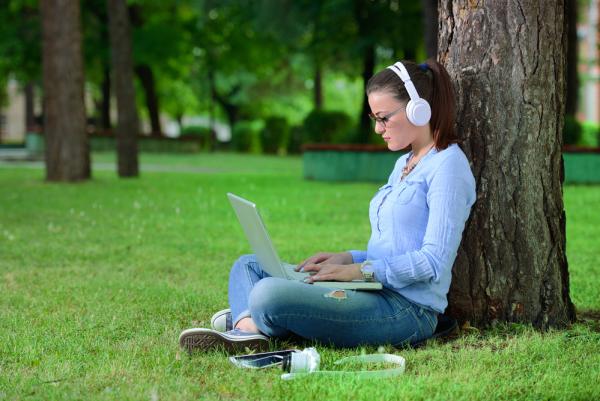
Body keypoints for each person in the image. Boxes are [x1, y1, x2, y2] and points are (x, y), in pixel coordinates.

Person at [179, 59, 476, 353]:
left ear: (419, 108)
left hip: (406, 310)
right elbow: (391, 248)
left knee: (267, 294)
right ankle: (250, 327)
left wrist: (360, 271)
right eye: (374, 118)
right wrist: (345, 258)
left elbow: (433, 262)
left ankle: (249, 320)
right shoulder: (403, 164)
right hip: (372, 290)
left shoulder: (448, 166)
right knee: (248, 265)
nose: (377, 128)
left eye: (383, 118)